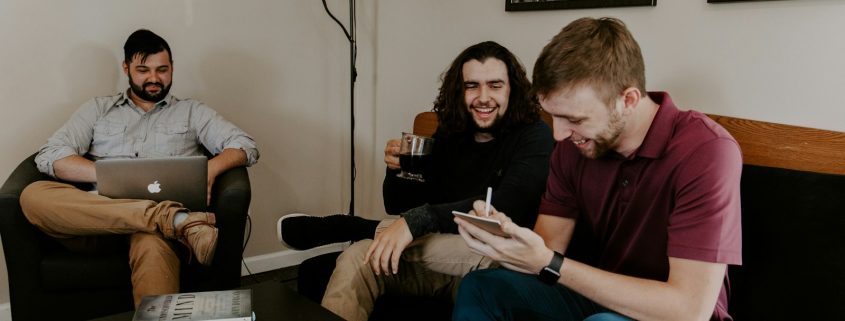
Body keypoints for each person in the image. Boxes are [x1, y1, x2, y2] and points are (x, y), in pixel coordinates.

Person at [452, 17, 742, 321]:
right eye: (554, 117)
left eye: (575, 120)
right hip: (598, 299)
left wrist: (550, 263)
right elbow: (546, 250)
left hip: (670, 313)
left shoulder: (706, 151)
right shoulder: (571, 147)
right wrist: (508, 241)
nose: (559, 134)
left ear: (627, 100)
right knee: (482, 288)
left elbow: (688, 310)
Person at [278, 41, 554, 321]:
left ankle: (352, 227)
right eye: (472, 86)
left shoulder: (534, 136)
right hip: (444, 255)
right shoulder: (453, 132)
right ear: (460, 91)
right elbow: (398, 204)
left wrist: (416, 221)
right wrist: (398, 170)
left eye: (495, 85)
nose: (483, 97)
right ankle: (360, 230)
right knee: (358, 258)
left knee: (398, 237)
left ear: (513, 89)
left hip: (496, 258)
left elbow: (510, 205)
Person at [19, 29, 259, 307]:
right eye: (143, 70)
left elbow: (245, 145)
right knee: (32, 195)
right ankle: (174, 219)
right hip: (98, 224)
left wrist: (212, 169)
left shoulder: (192, 112)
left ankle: (164, 221)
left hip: (154, 234)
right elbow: (51, 155)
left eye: (162, 70)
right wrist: (105, 173)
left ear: (172, 69)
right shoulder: (98, 109)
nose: (154, 78)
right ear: (126, 68)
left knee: (152, 244)